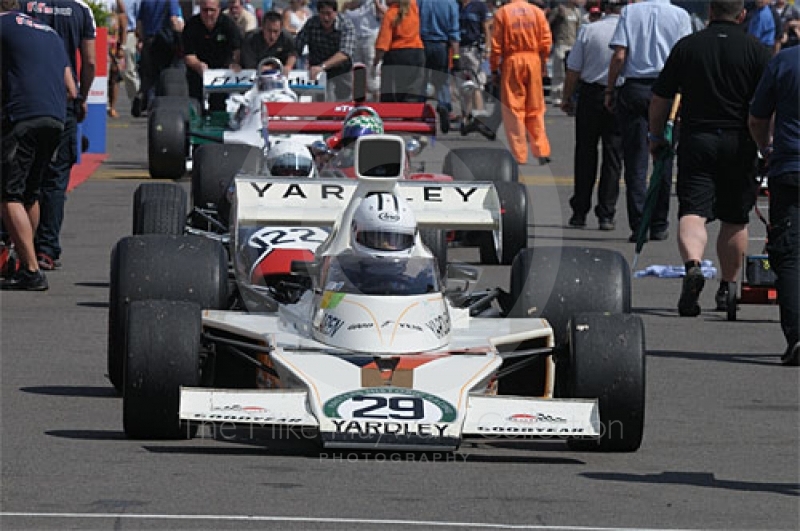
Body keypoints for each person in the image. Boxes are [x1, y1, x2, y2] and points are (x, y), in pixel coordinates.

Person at [648, 0, 771, 317]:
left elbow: (661, 97)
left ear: (710, 13)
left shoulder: (688, 47)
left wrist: (656, 136)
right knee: (734, 217)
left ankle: (692, 265)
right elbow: (766, 105)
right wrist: (767, 145)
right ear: (742, 15)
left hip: (697, 138)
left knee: (693, 210)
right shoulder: (756, 50)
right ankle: (728, 286)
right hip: (739, 140)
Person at [1, 0, 76, 290]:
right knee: (30, 194)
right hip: (56, 118)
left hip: (24, 116)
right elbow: (71, 88)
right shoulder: (49, 32)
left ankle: (30, 270)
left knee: (8, 195)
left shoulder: (3, 24)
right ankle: (25, 261)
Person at [605, 0, 691, 243]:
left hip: (635, 87)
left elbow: (620, 55)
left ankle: (639, 222)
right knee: (663, 156)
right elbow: (683, 56)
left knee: (635, 160)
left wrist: (610, 89)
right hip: (668, 88)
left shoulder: (630, 12)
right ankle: (659, 222)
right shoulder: (680, 15)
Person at [24, 0, 96, 272]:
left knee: (21, 176)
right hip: (63, 100)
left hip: (26, 97)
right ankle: (46, 249)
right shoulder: (80, 9)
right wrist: (82, 97)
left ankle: (18, 243)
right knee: (55, 179)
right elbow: (89, 61)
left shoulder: (24, 5)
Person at [749, 45, 800, 365]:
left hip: (791, 167)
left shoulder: (785, 61)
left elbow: (757, 118)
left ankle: (797, 335)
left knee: (791, 254)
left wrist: (765, 149)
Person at [561, 0, 625, 231]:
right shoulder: (628, 30)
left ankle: (580, 210)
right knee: (613, 156)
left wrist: (566, 97)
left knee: (585, 152)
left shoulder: (589, 29)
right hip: (619, 93)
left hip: (591, 93)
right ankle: (606, 213)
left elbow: (573, 69)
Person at [490, 0, 553, 166]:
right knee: (536, 107)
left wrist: (494, 68)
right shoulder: (537, 12)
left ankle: (519, 154)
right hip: (533, 61)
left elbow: (496, 44)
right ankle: (541, 150)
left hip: (512, 61)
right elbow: (546, 41)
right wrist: (542, 62)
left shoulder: (503, 12)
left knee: (514, 109)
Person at [183, 0, 243, 112]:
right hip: (198, 70)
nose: (208, 14)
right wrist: (198, 65)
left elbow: (237, 50)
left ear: (219, 9)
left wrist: (234, 63)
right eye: (205, 10)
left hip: (221, 71)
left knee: (218, 105)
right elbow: (188, 55)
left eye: (212, 10)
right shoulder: (191, 25)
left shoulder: (228, 24)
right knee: (195, 105)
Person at [295, 0, 357, 101]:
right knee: (323, 104)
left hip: (342, 70)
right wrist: (289, 66)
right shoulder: (311, 23)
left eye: (329, 13)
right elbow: (297, 46)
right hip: (318, 72)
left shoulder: (346, 25)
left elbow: (345, 53)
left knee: (344, 103)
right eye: (322, 13)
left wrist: (322, 66)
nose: (326, 18)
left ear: (336, 12)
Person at [133, 0, 184, 116]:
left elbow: (139, 22)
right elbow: (173, 20)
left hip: (148, 41)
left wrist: (141, 39)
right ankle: (159, 105)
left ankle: (148, 101)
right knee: (165, 74)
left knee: (149, 76)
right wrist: (182, 34)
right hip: (165, 42)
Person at [417, 0, 460, 134]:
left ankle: (420, 110)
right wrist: (456, 56)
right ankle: (444, 105)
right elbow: (454, 31)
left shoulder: (420, 2)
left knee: (421, 81)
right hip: (441, 45)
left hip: (422, 43)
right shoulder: (450, 4)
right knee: (442, 80)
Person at [374, 0, 425, 103]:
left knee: (393, 93)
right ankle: (411, 113)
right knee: (413, 91)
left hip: (397, 55)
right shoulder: (413, 8)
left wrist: (376, 61)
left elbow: (382, 45)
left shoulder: (390, 14)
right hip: (417, 52)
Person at [343, 0, 386, 101]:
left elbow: (384, 14)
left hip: (371, 35)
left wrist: (376, 3)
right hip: (356, 36)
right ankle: (359, 101)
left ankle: (376, 98)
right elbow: (347, 9)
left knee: (372, 68)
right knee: (357, 69)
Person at [458, 0, 491, 116]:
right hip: (460, 49)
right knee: (464, 84)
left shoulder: (479, 6)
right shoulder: (457, 5)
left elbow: (486, 27)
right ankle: (466, 114)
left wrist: (487, 47)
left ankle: (479, 113)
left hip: (474, 49)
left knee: (476, 83)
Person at [547, 0, 582, 106]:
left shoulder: (577, 12)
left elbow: (579, 28)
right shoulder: (559, 9)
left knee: (571, 72)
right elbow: (548, 24)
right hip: (561, 43)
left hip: (573, 44)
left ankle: (568, 95)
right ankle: (556, 95)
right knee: (559, 72)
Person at [120, 0, 141, 110]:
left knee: (129, 70)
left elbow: (139, 17)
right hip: (112, 33)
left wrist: (139, 37)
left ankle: (136, 98)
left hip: (129, 34)